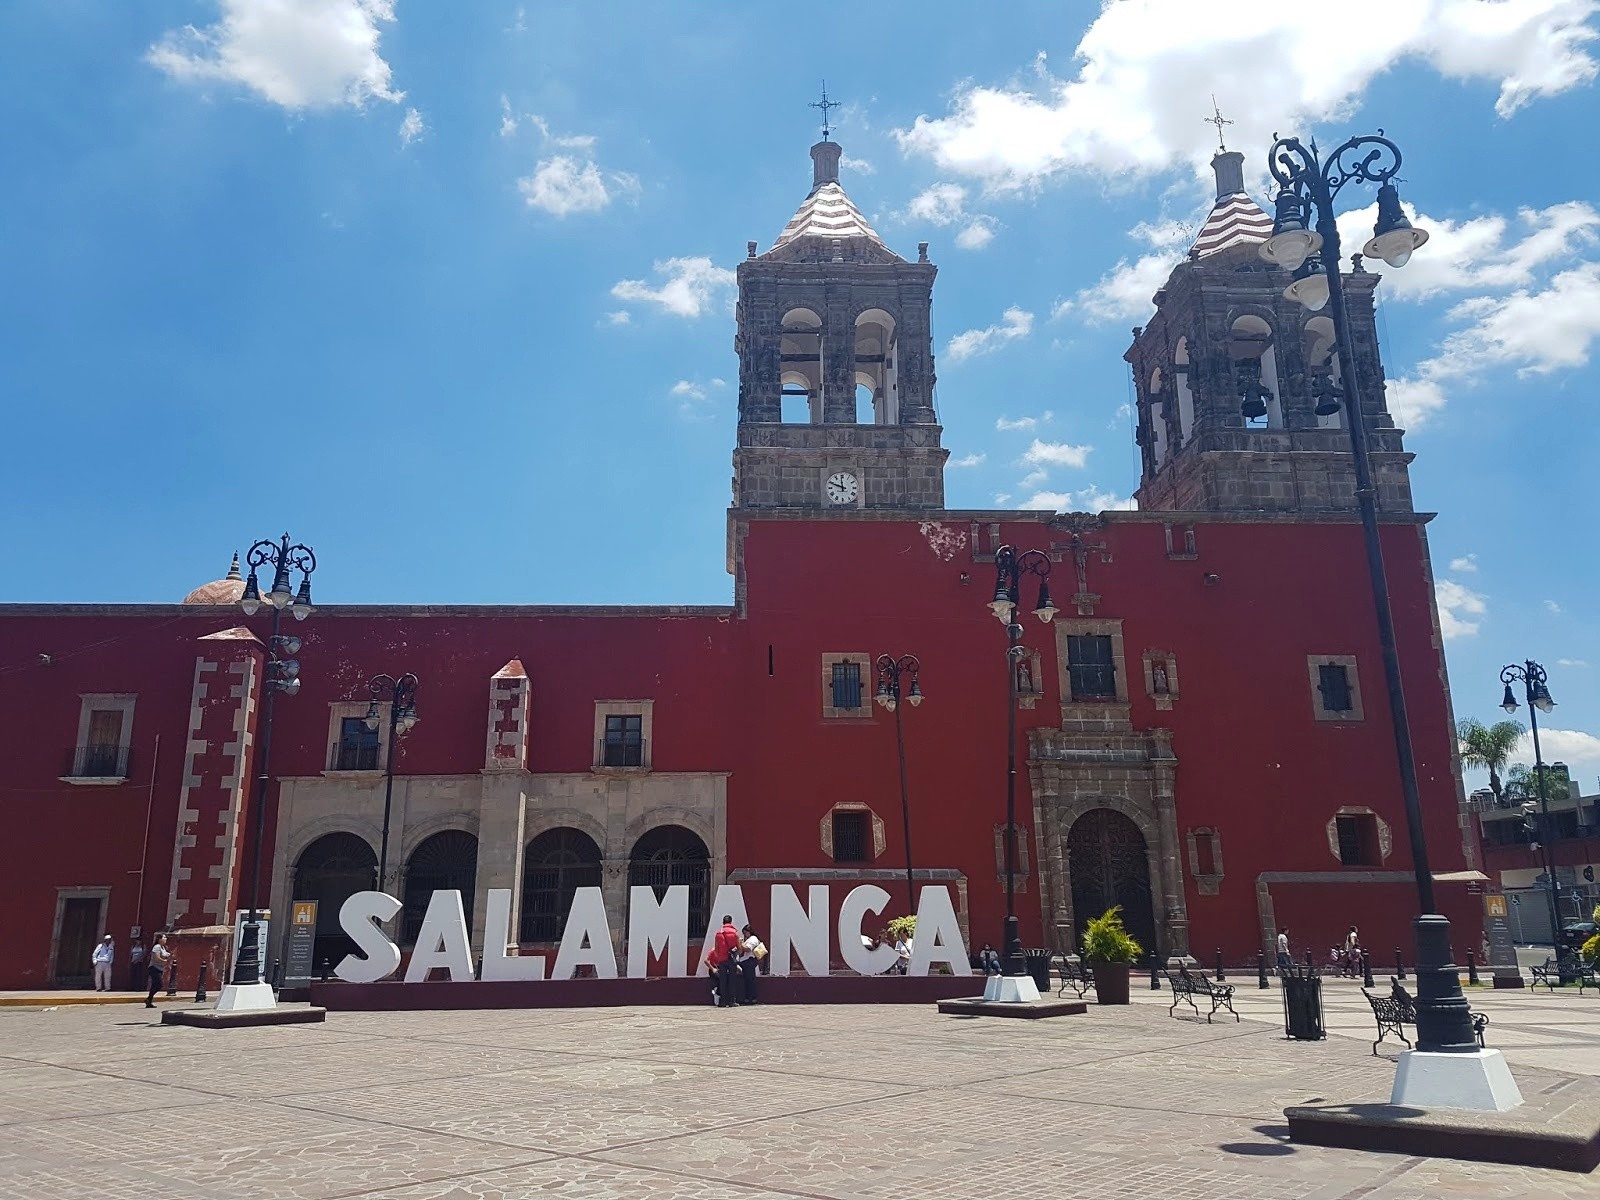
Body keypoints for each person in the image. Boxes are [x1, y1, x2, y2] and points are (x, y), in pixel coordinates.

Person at [706, 915, 743, 1008]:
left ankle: (722, 1002)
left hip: (722, 960)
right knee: (732, 980)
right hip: (731, 959)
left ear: (723, 922)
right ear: (731, 922)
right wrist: (736, 954)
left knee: (722, 981)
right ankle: (732, 1001)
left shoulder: (719, 933)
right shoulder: (735, 933)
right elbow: (739, 947)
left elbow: (716, 948)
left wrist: (719, 957)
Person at [739, 924, 765, 1004]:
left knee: (750, 981)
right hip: (746, 962)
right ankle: (748, 997)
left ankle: (752, 998)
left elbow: (747, 949)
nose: (744, 935)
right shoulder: (749, 939)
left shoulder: (753, 939)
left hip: (749, 961)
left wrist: (741, 942)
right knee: (747, 980)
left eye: (745, 933)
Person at [145, 933, 170, 1008]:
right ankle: (149, 999)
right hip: (154, 968)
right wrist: (164, 961)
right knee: (159, 984)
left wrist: (169, 955)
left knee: (154, 985)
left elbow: (165, 954)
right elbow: (156, 958)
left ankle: (149, 1001)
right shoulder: (157, 947)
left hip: (160, 968)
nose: (165, 939)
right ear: (159, 939)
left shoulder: (163, 947)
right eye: (164, 937)